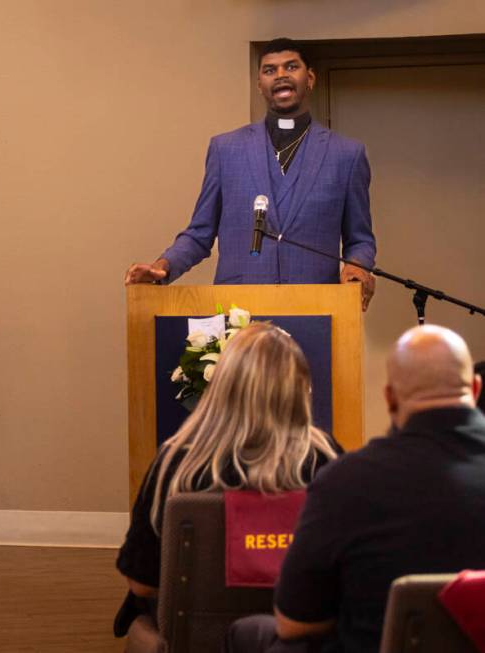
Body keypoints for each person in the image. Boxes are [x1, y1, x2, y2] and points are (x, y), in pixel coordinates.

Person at [226, 324, 485, 653]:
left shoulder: (345, 483)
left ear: (390, 397)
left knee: (250, 633)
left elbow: (295, 623)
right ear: (475, 389)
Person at [114, 322, 340, 637]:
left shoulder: (177, 461)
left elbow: (142, 584)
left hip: (197, 636)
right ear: (300, 388)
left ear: (221, 384)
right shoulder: (326, 459)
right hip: (298, 638)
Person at [125, 38, 377, 311]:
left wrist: (357, 268)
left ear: (310, 78)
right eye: (270, 70)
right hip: (240, 311)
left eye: (291, 67)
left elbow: (360, 239)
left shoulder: (346, 154)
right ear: (260, 85)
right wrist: (163, 266)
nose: (281, 76)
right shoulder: (226, 149)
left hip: (317, 311)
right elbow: (199, 233)